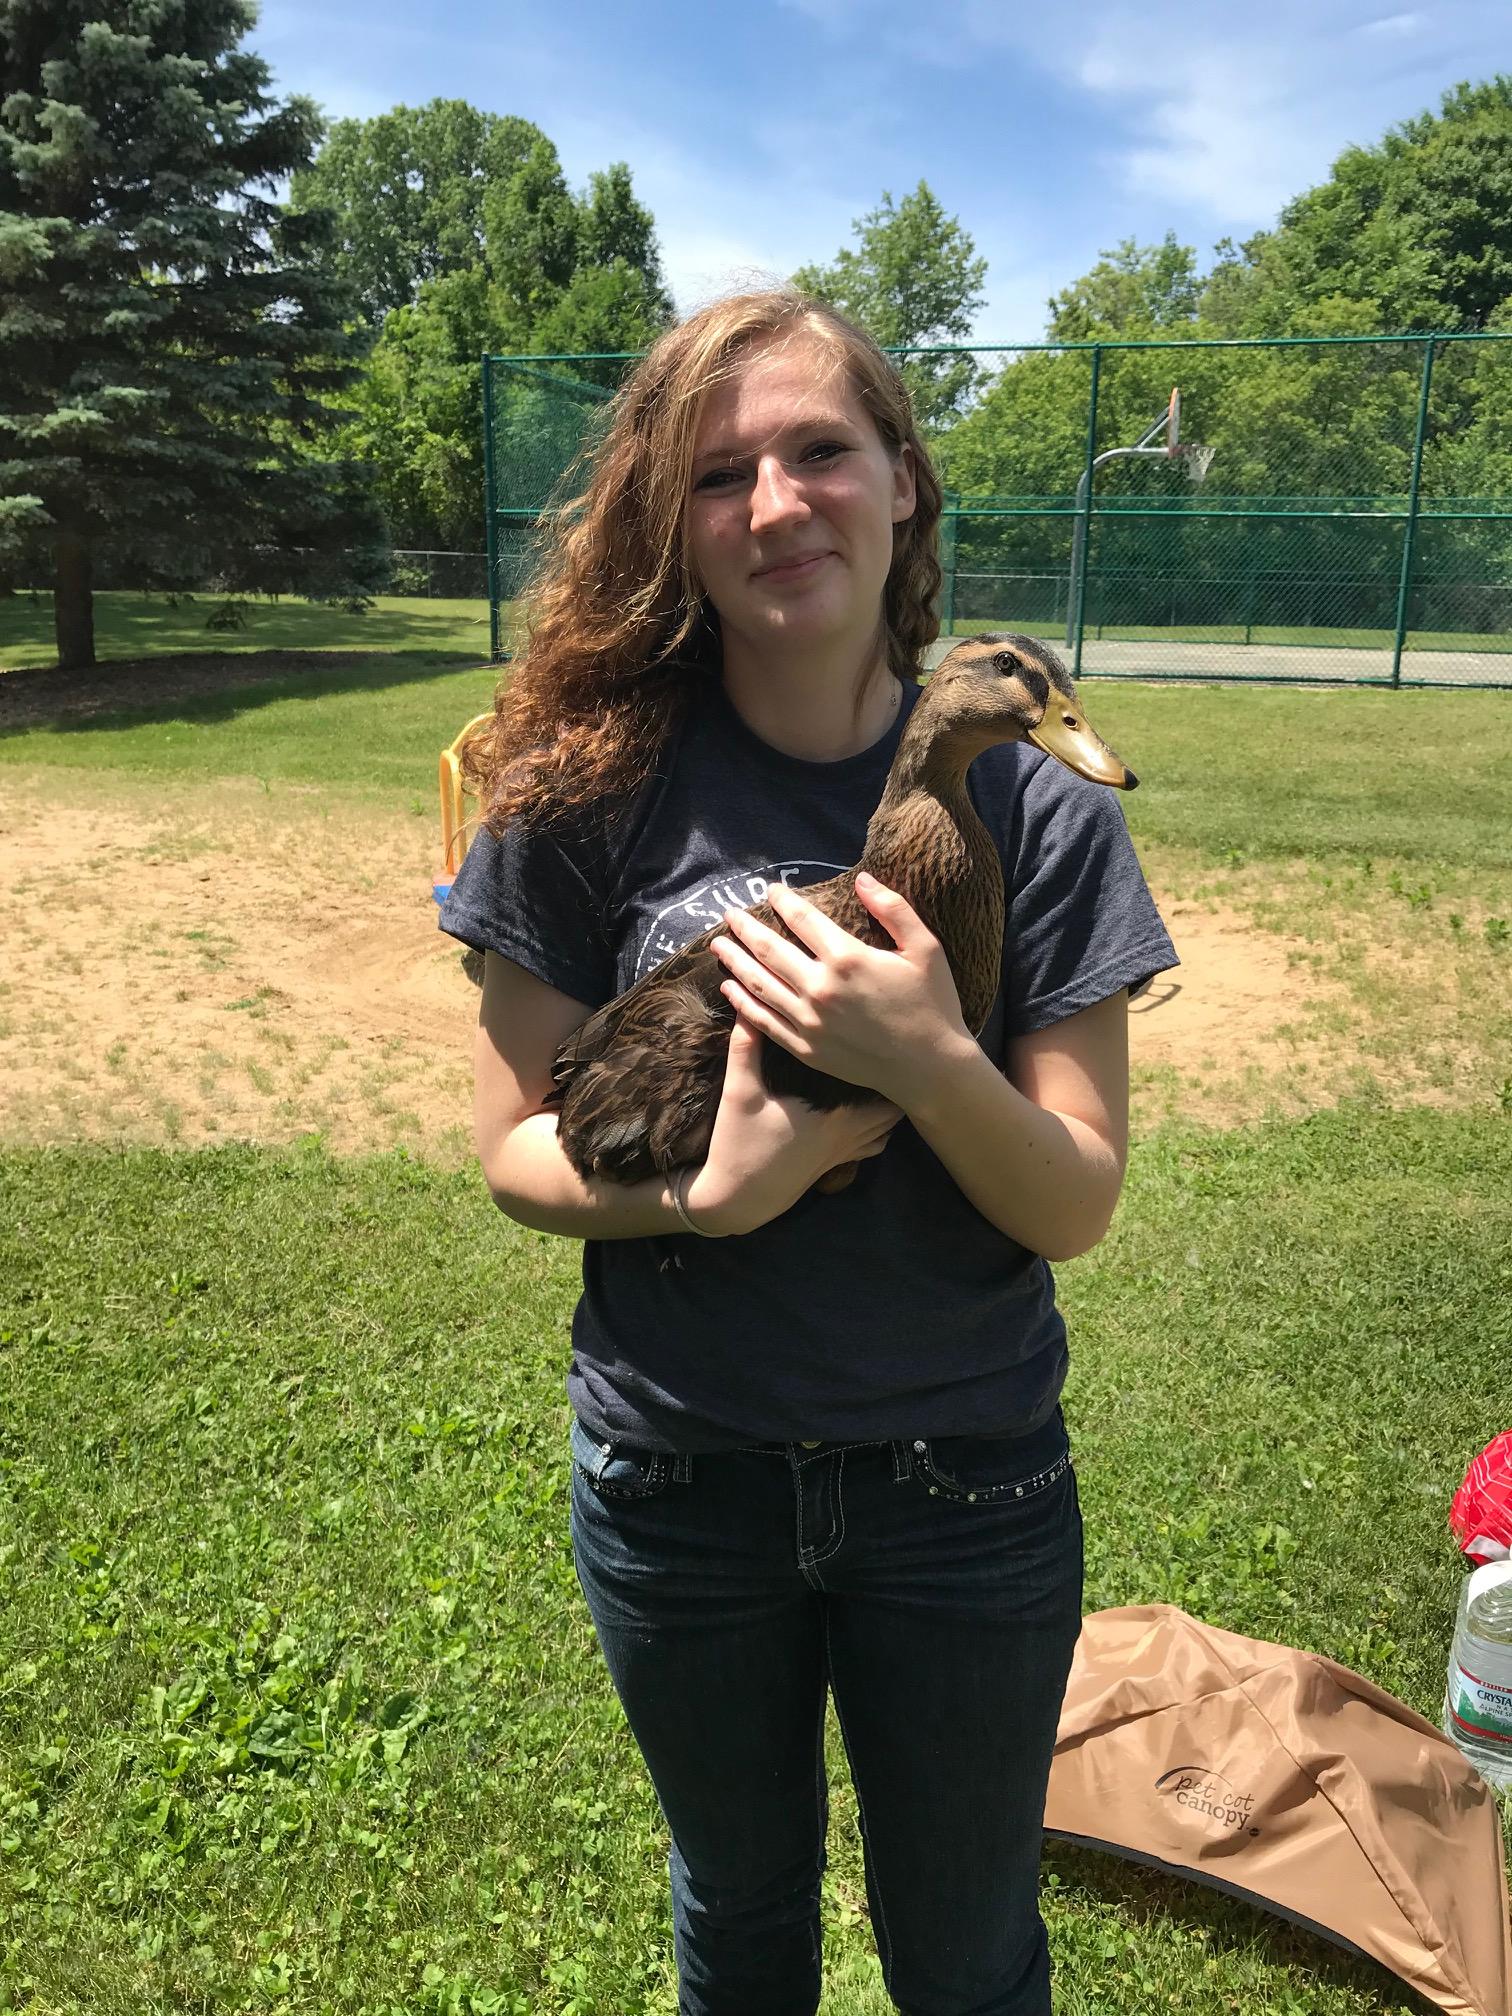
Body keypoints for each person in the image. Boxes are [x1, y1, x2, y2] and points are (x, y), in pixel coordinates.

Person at [439, 289, 1179, 2016]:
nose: (777, 504)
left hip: (964, 1493)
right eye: (720, 475)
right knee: (742, 1922)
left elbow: (1073, 1197)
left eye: (823, 451)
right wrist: (718, 1193)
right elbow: (513, 1152)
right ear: (668, 523)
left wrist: (927, 1061)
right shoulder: (579, 790)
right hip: (681, 1485)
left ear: (904, 484)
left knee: (969, 1950)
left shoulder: (1044, 823)